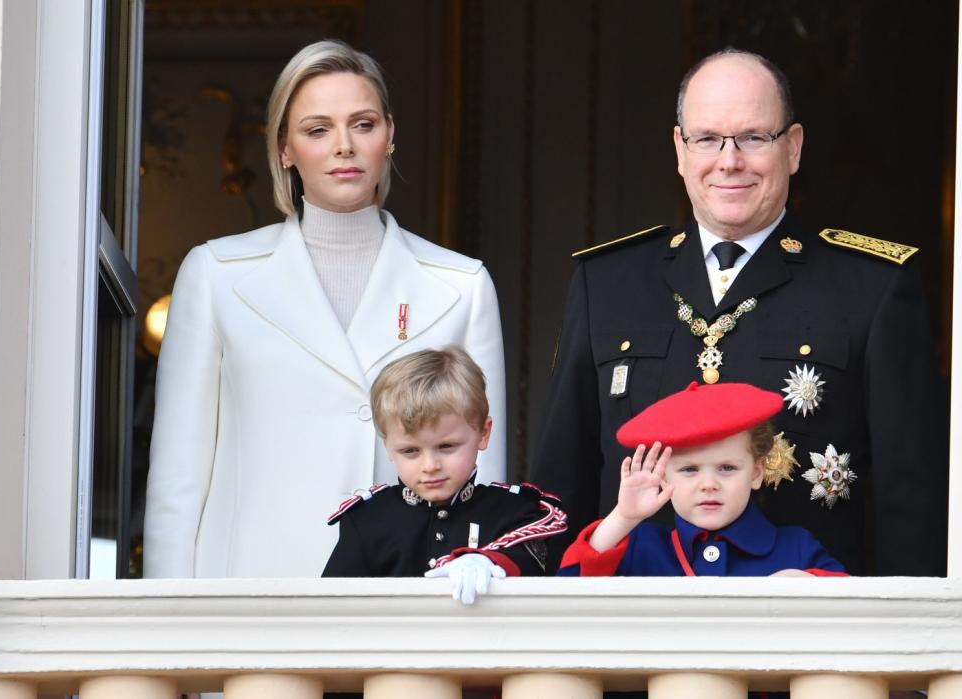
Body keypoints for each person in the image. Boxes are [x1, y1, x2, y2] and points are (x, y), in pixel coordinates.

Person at [532, 48, 947, 576]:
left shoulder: (873, 287)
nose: (729, 161)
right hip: (634, 634)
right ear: (680, 149)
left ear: (792, 149)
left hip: (808, 635)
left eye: (753, 138)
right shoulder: (606, 283)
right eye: (707, 139)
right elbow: (559, 483)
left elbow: (910, 499)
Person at [144, 40, 506, 579]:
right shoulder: (216, 274)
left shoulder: (462, 284)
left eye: (362, 124)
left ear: (389, 136)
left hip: (407, 601)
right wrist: (168, 629)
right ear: (285, 148)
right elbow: (179, 476)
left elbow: (486, 478)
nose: (344, 146)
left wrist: (480, 575)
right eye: (318, 130)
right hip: (252, 594)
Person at [323, 347, 567, 604]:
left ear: (483, 433)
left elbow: (539, 572)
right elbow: (333, 609)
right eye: (410, 450)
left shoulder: (516, 512)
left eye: (446, 446)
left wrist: (491, 560)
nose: (430, 465)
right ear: (387, 447)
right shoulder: (367, 520)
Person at [559, 381, 845, 577]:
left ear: (756, 472)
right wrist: (623, 517)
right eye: (689, 470)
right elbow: (569, 589)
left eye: (727, 468)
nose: (708, 484)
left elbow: (852, 609)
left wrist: (805, 584)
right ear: (663, 476)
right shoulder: (639, 546)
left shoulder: (795, 547)